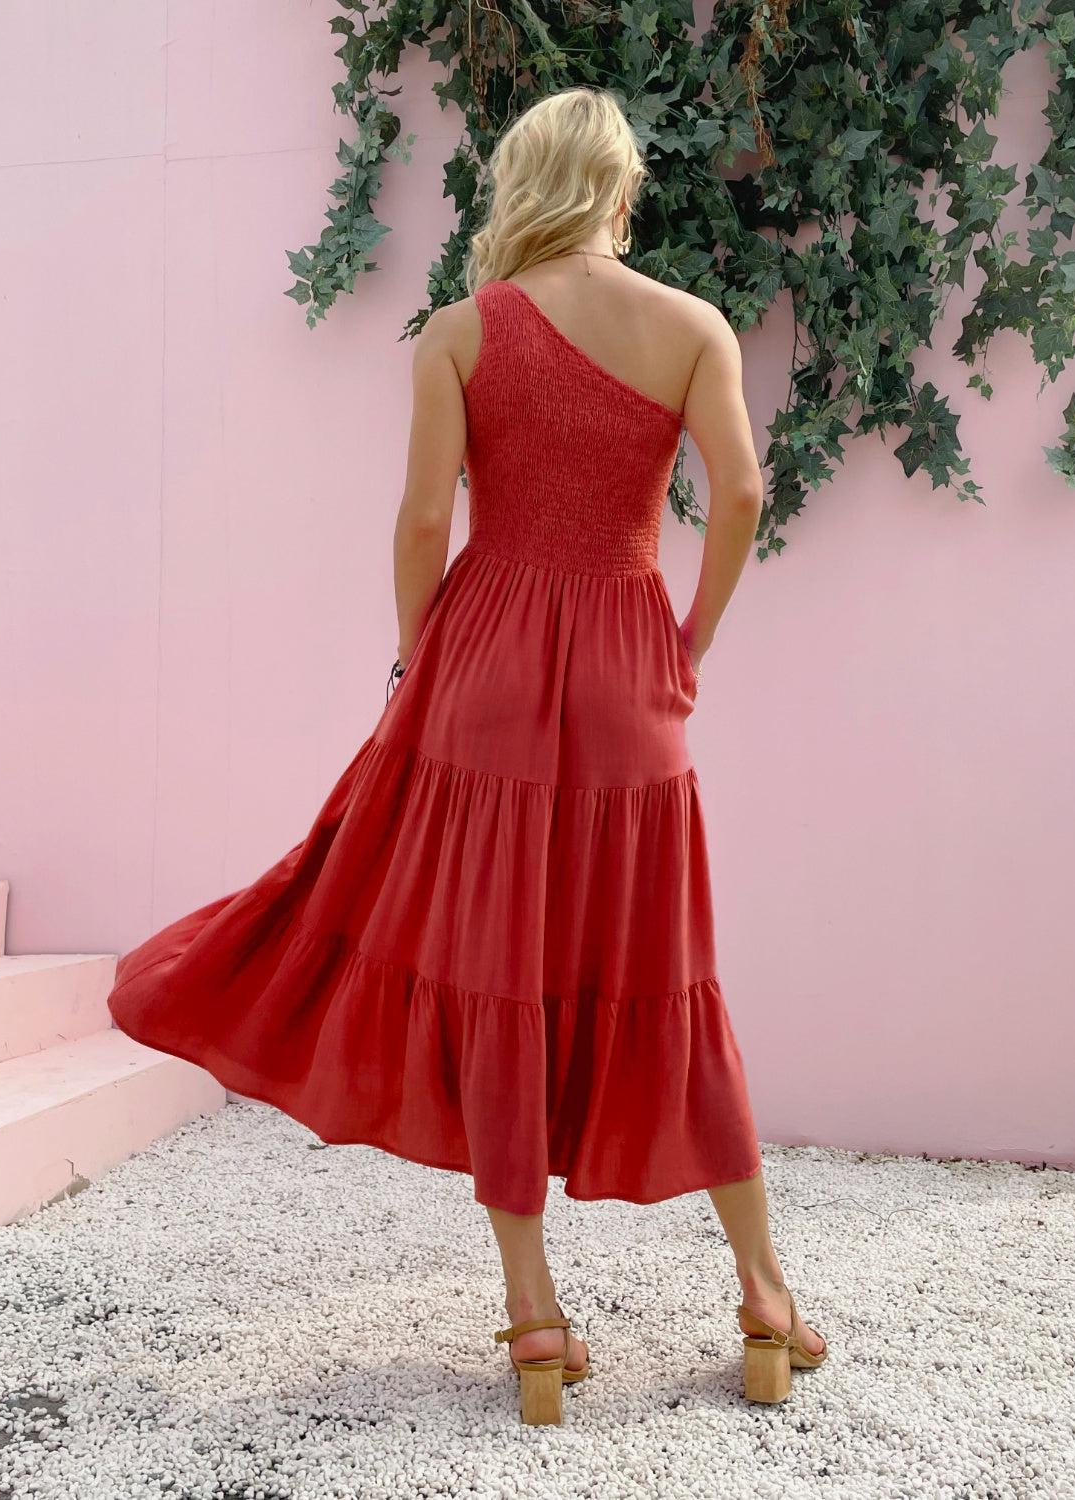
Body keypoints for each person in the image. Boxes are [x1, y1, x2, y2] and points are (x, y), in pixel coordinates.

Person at [106, 84, 827, 1425]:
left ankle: (537, 1324)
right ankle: (765, 1296)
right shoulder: (689, 328)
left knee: (497, 973)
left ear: (519, 188)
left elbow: (420, 520)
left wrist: (413, 655)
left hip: (481, 661)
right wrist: (689, 639)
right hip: (627, 662)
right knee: (665, 974)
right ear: (617, 189)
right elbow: (736, 493)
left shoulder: (456, 333)